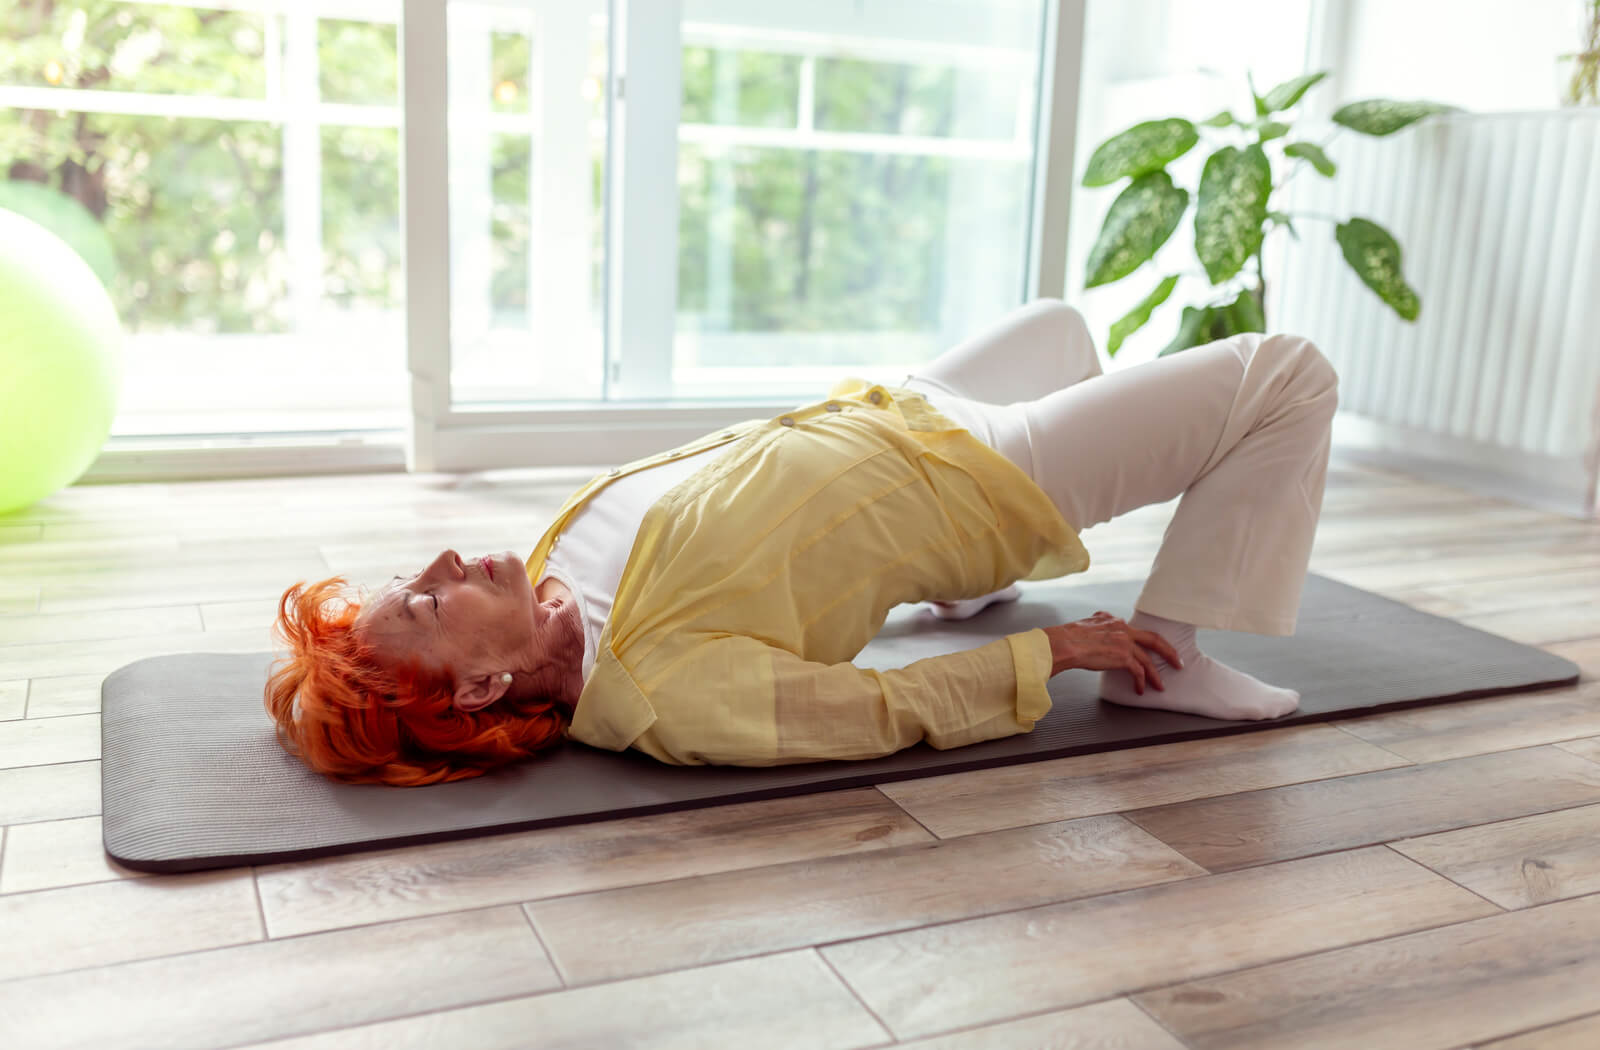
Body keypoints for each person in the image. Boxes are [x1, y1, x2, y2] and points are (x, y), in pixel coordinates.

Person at [266, 300, 1339, 785]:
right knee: (1285, 372)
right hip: (978, 478)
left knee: (1058, 325)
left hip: (903, 409)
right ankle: (1169, 660)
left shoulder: (548, 567)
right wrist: (1054, 653)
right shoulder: (661, 696)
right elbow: (878, 711)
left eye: (418, 577)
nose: (446, 564)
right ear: (478, 694)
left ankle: (974, 586)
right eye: (425, 603)